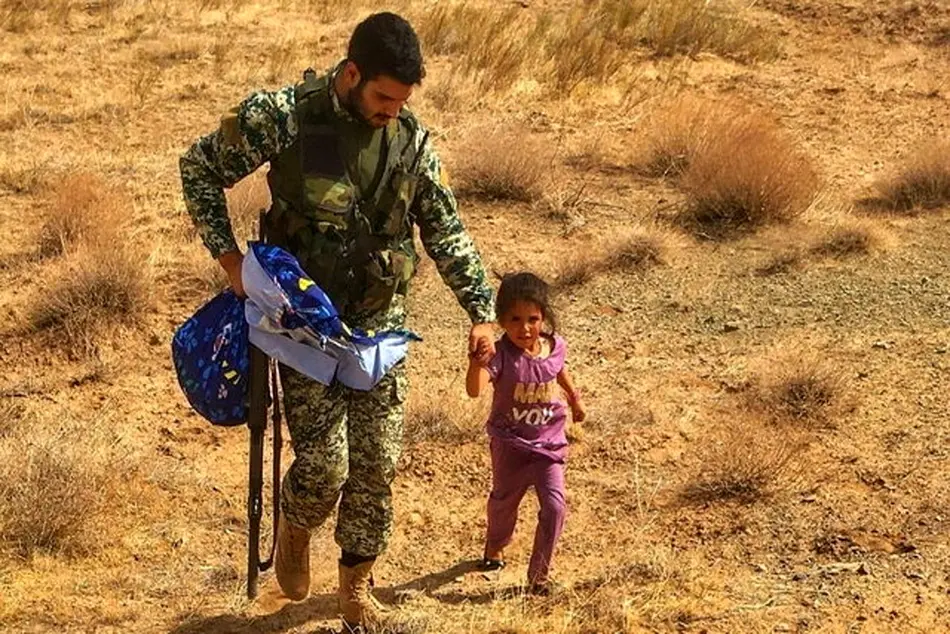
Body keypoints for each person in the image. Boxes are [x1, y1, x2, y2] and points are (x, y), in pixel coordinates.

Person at [179, 12, 496, 630]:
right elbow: (198, 168)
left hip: (380, 327)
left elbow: (446, 230)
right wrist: (229, 260)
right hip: (303, 328)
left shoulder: (410, 142)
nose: (391, 112)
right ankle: (297, 524)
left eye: (402, 102)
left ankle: (356, 586)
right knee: (327, 465)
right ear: (351, 73)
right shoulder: (285, 116)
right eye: (382, 97)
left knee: (378, 465)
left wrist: (481, 311)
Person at [466, 272, 586, 595]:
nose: (525, 328)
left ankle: (539, 579)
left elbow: (559, 370)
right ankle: (495, 547)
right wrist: (476, 362)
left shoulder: (554, 346)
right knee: (504, 503)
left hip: (549, 445)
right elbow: (475, 391)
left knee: (555, 507)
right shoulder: (502, 354)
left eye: (533, 319)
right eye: (515, 319)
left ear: (543, 317)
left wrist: (574, 399)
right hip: (511, 446)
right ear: (502, 320)